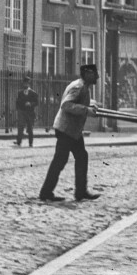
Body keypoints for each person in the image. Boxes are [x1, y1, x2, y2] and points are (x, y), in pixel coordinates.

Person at [39, 63, 102, 203]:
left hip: (72, 131)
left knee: (81, 156)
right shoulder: (78, 87)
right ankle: (46, 192)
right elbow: (66, 105)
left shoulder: (82, 86)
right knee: (60, 160)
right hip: (66, 130)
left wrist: (90, 104)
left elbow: (78, 101)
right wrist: (86, 110)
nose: (97, 76)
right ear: (87, 74)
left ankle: (80, 192)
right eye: (94, 73)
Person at [14, 76, 39, 147]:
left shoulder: (33, 93)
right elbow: (17, 102)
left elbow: (37, 102)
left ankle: (30, 143)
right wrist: (19, 110)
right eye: (24, 83)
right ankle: (19, 142)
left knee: (30, 128)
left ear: (29, 84)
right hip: (22, 112)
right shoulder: (20, 93)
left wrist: (30, 104)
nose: (25, 85)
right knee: (20, 127)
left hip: (30, 113)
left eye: (27, 83)